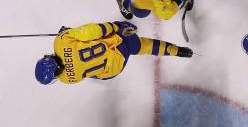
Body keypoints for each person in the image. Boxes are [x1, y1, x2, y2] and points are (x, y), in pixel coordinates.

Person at [34, 21, 192, 85]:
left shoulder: (67, 79)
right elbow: (93, 31)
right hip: (113, 49)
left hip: (112, 69)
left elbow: (74, 63)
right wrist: (116, 26)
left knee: (139, 47)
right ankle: (175, 50)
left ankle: (178, 52)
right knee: (140, 44)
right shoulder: (60, 41)